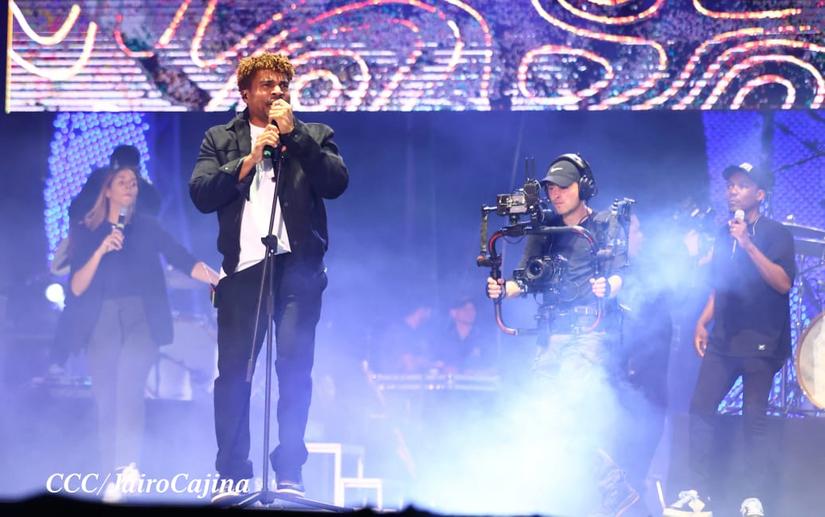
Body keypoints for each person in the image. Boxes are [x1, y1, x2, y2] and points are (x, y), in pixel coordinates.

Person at [189, 52, 348, 500]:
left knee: (295, 371)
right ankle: (232, 473)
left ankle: (290, 471)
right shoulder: (220, 138)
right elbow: (201, 193)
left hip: (298, 271)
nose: (277, 91)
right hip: (243, 271)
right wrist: (248, 159)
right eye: (266, 85)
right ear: (245, 93)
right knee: (234, 376)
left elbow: (336, 183)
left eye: (283, 85)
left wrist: (295, 137)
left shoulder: (314, 135)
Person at [486, 153, 635, 515]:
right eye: (551, 188)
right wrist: (502, 289)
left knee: (566, 411)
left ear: (583, 187)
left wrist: (608, 287)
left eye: (563, 187)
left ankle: (613, 487)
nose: (556, 194)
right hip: (550, 334)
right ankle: (573, 494)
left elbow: (622, 273)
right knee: (544, 417)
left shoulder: (604, 224)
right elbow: (525, 279)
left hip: (587, 332)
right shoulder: (545, 230)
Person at [63, 165, 217, 502]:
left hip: (142, 318)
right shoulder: (88, 230)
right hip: (102, 320)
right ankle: (110, 479)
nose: (129, 186)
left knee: (129, 385)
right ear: (107, 190)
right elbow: (76, 287)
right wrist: (101, 249)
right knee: (106, 400)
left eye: (133, 182)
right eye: (122, 181)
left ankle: (127, 466)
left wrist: (218, 279)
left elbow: (182, 259)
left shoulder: (148, 227)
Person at [666, 163, 794, 517]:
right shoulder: (723, 234)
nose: (732, 191)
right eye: (730, 185)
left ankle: (753, 499)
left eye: (742, 185)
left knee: (753, 417)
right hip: (723, 337)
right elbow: (719, 285)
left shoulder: (777, 234)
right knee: (701, 406)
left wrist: (748, 244)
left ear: (760, 195)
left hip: (761, 341)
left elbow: (783, 283)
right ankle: (697, 495)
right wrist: (702, 321)